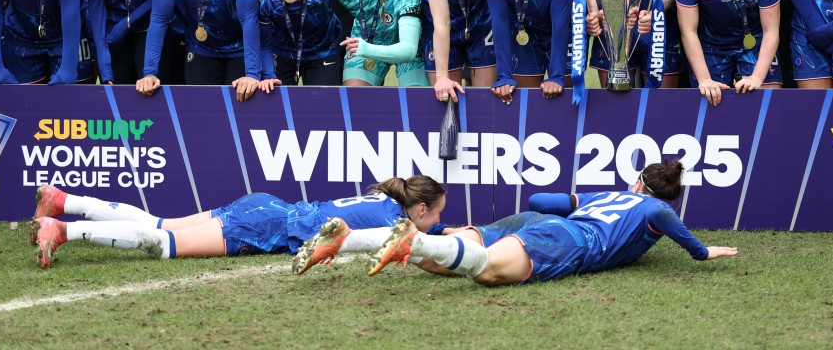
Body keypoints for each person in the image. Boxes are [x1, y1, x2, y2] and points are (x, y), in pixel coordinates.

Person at [300, 160, 737, 285]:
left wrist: (576, 199)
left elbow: (539, 199)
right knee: (483, 269)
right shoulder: (657, 210)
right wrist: (703, 251)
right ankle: (413, 243)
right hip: (568, 241)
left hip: (536, 219)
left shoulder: (608, 194)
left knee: (446, 261)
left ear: (637, 180)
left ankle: (348, 240)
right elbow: (674, 227)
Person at [31, 175, 446, 269]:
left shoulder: (384, 200)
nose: (438, 221)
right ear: (421, 209)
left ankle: (63, 199)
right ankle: (64, 230)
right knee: (163, 242)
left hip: (267, 207)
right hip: (268, 226)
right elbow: (388, 244)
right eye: (438, 214)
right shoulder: (395, 221)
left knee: (162, 223)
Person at [258, 0, 348, 86]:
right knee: (277, 103)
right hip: (282, 53)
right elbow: (264, 42)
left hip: (324, 51)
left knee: (322, 106)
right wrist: (269, 75)